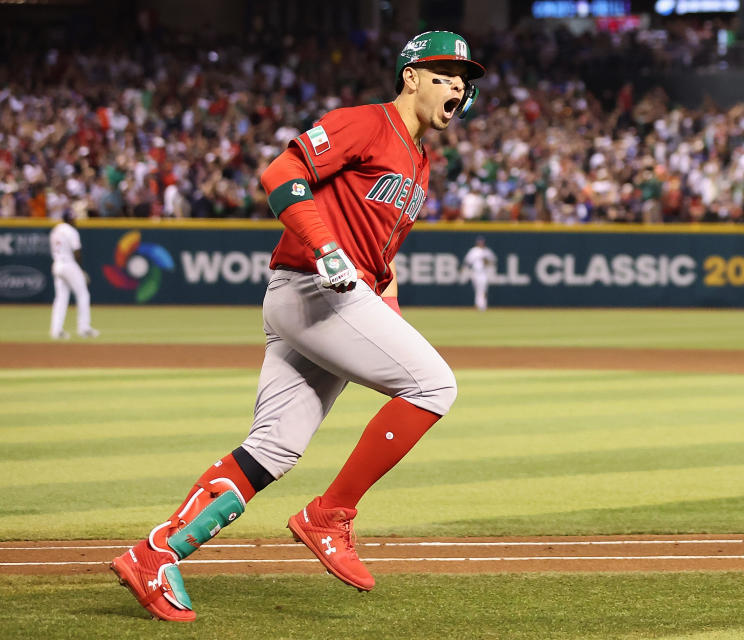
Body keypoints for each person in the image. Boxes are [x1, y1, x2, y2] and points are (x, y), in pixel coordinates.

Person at [109, 31, 485, 622]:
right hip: (314, 288)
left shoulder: (420, 160)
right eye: (444, 72)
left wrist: (386, 319)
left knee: (273, 447)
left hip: (334, 297)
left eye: (465, 77)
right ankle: (329, 515)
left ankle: (157, 553)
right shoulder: (366, 123)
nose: (459, 84)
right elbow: (281, 170)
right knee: (435, 385)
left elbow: (382, 264)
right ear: (410, 76)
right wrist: (326, 248)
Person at [48, 211, 99, 339]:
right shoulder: (71, 231)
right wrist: (81, 270)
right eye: (73, 218)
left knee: (61, 298)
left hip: (57, 264)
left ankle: (56, 330)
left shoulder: (56, 230)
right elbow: (77, 252)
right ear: (69, 219)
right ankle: (84, 328)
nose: (75, 220)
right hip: (69, 264)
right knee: (83, 294)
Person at [463, 235, 496, 311]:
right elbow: (467, 262)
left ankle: (483, 306)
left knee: (483, 290)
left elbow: (493, 262)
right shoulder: (473, 251)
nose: (481, 243)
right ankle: (478, 305)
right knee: (477, 290)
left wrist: (486, 261)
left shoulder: (487, 251)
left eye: (482, 242)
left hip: (484, 273)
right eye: (479, 242)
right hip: (475, 272)